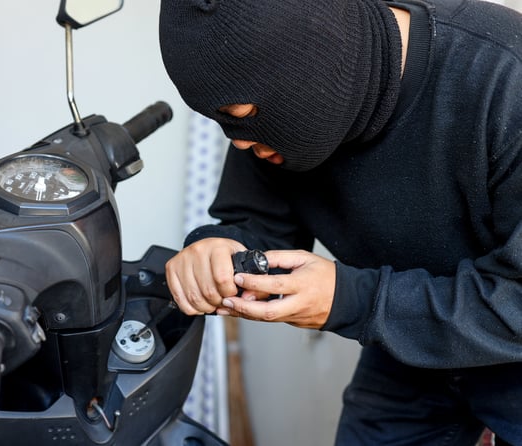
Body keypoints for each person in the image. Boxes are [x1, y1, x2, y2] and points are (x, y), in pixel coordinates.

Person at [157, 0, 522, 444]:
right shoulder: (275, 116)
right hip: (405, 338)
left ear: (317, 66)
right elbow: (257, 222)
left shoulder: (506, 78)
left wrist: (352, 301)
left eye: (242, 116)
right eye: (219, 121)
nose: (239, 143)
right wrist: (216, 246)